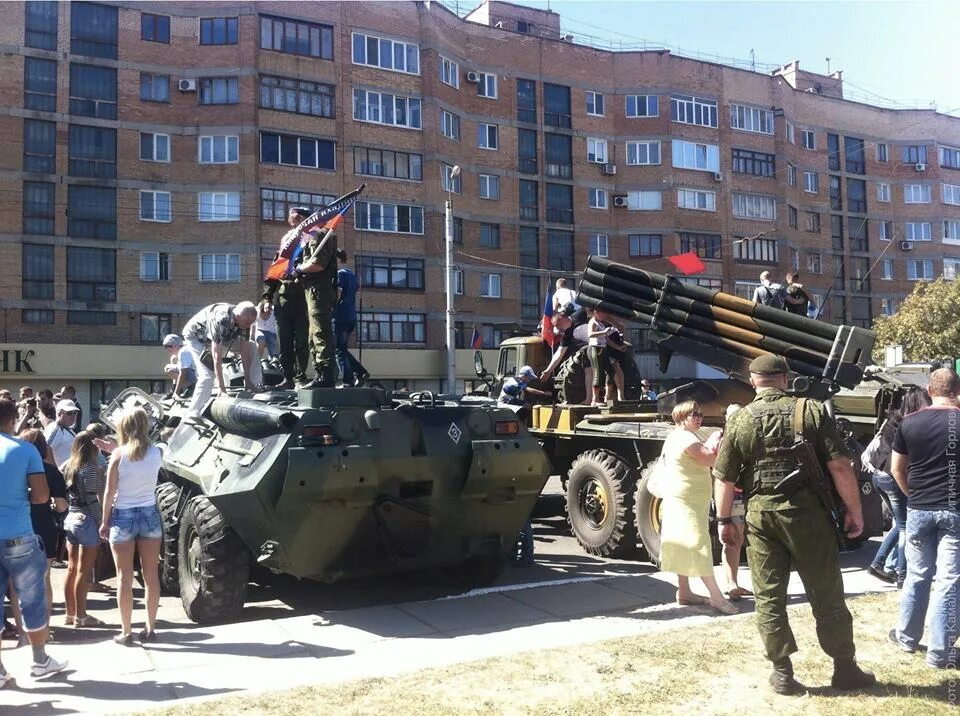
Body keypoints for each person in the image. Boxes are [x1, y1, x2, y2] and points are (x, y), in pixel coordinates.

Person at [713, 354, 874, 694]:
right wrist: (854, 511)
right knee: (827, 592)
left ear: (754, 382)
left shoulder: (741, 419)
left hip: (761, 520)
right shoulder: (811, 411)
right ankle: (845, 669)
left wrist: (724, 520)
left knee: (770, 596)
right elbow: (841, 467)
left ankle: (783, 672)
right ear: (785, 379)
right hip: (809, 517)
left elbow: (724, 478)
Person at [889, 368, 960, 669]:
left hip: (919, 508)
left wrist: (912, 496)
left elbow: (896, 469)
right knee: (949, 579)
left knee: (917, 575)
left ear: (930, 391)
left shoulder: (909, 422)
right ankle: (940, 652)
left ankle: (906, 637)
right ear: (956, 391)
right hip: (955, 510)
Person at [0, 398, 67, 687]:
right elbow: (41, 496)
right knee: (33, 600)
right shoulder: (25, 450)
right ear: (13, 419)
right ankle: (39, 660)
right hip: (18, 534)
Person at [658, 400, 737, 615]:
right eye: (694, 414)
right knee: (698, 545)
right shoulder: (685, 438)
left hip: (685, 499)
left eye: (700, 413)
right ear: (682, 417)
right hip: (687, 502)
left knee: (683, 543)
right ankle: (717, 597)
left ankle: (684, 592)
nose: (699, 417)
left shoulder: (678, 436)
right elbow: (710, 459)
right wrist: (716, 441)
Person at [98, 407, 163, 645]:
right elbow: (139, 456)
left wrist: (104, 522)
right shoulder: (157, 453)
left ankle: (126, 632)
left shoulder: (118, 455)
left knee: (123, 577)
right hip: (149, 513)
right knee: (151, 575)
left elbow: (109, 492)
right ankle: (151, 627)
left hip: (123, 515)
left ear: (122, 428)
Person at [862, 386, 930, 589]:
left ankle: (881, 564)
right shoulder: (909, 425)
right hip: (893, 478)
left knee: (900, 524)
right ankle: (902, 574)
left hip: (879, 476)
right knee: (905, 527)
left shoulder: (894, 420)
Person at [261, 207, 313, 390]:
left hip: (303, 299)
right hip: (284, 300)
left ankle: (300, 378)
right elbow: (273, 274)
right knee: (284, 341)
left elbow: (317, 261)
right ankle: (287, 377)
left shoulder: (311, 241)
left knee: (301, 341)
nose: (293, 219)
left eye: (298, 217)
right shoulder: (284, 249)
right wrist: (267, 298)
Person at [18, 429, 68, 616]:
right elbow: (62, 506)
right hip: (44, 527)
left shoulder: (13, 470)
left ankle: (25, 625)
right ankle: (44, 628)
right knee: (44, 578)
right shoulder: (52, 472)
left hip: (18, 527)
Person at [182, 302, 262, 418]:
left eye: (251, 323)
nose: (248, 325)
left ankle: (255, 385)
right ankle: (193, 412)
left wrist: (248, 380)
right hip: (196, 337)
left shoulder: (245, 321)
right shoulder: (222, 319)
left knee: (252, 347)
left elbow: (245, 352)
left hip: (223, 337)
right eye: (246, 323)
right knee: (208, 374)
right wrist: (221, 388)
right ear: (237, 316)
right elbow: (216, 356)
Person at [61, 430, 107, 629]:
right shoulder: (90, 468)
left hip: (71, 518)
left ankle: (69, 613)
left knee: (71, 569)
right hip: (87, 519)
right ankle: (81, 615)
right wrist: (101, 521)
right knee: (84, 571)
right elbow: (92, 500)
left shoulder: (69, 467)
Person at [715, 403, 752, 601]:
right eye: (731, 416)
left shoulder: (750, 436)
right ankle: (732, 584)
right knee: (733, 539)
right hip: (734, 495)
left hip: (751, 494)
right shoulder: (720, 439)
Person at [296, 223, 339, 388]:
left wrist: (298, 269)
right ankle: (321, 374)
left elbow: (318, 264)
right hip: (313, 289)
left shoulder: (317, 234)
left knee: (320, 332)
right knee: (313, 335)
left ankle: (326, 375)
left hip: (318, 289)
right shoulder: (312, 236)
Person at [333, 249, 369, 387]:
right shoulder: (352, 276)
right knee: (341, 348)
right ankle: (360, 372)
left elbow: (338, 293)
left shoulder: (339, 275)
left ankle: (348, 381)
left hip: (340, 316)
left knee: (338, 350)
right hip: (351, 316)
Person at [587, 308, 616, 405]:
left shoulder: (602, 324)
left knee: (611, 370)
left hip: (603, 349)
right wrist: (604, 332)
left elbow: (606, 339)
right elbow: (590, 334)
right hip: (595, 348)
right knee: (598, 373)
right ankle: (595, 399)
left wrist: (618, 347)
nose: (603, 316)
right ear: (596, 312)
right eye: (602, 313)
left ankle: (607, 396)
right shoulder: (593, 322)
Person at [44, 399, 80, 467]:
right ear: (59, 413)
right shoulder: (55, 429)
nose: (73, 416)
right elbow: (45, 450)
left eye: (75, 412)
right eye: (69, 413)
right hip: (61, 475)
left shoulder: (68, 429)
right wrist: (56, 472)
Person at [162, 334, 197, 398]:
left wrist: (176, 393)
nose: (168, 350)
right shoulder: (184, 346)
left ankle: (191, 387)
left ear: (175, 346)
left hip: (196, 375)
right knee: (173, 358)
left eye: (169, 347)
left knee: (168, 369)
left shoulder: (183, 352)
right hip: (195, 372)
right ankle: (175, 387)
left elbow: (183, 372)